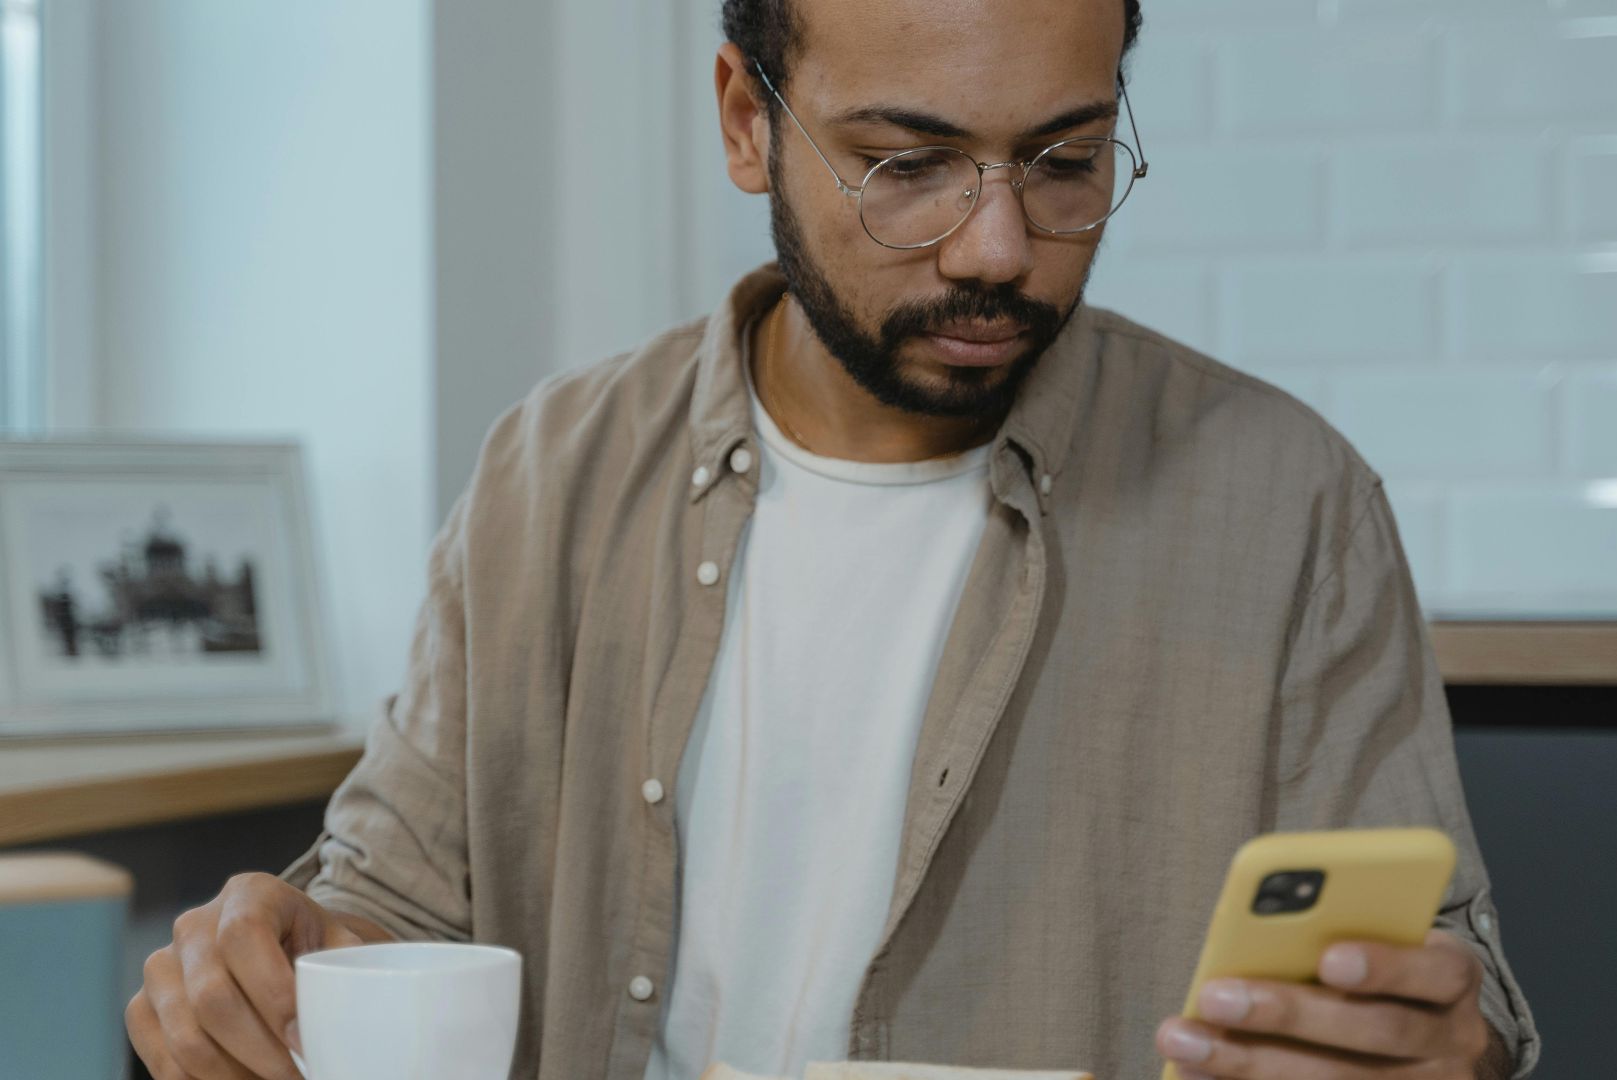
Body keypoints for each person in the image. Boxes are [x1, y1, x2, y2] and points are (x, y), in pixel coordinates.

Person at [125, 1, 1541, 1078]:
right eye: (908, 165)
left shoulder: (1290, 503)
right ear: (747, 119)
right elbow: (390, 910)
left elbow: (1446, 981)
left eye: (1064, 159)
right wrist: (264, 976)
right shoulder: (543, 478)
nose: (998, 245)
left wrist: (1438, 1042)